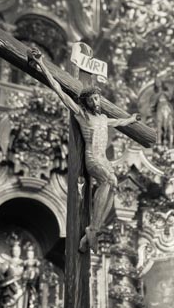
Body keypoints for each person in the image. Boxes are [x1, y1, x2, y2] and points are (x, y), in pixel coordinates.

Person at [29, 48, 138, 252]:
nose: (96, 102)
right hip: (93, 158)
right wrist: (42, 64)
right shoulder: (82, 115)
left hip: (104, 159)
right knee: (109, 181)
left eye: (98, 99)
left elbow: (120, 121)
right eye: (93, 99)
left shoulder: (104, 118)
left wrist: (132, 119)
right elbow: (58, 90)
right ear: (87, 102)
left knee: (113, 185)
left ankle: (93, 231)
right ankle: (93, 229)